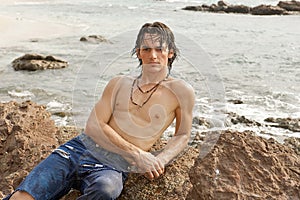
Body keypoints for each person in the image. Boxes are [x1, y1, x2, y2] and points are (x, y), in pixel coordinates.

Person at [5, 21, 195, 200]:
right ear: (138, 53)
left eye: (159, 49)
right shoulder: (119, 83)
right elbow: (94, 126)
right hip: (79, 149)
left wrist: (159, 160)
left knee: (106, 189)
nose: (153, 55)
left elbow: (183, 134)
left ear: (170, 52)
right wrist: (137, 155)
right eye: (147, 49)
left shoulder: (181, 91)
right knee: (22, 198)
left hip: (113, 165)